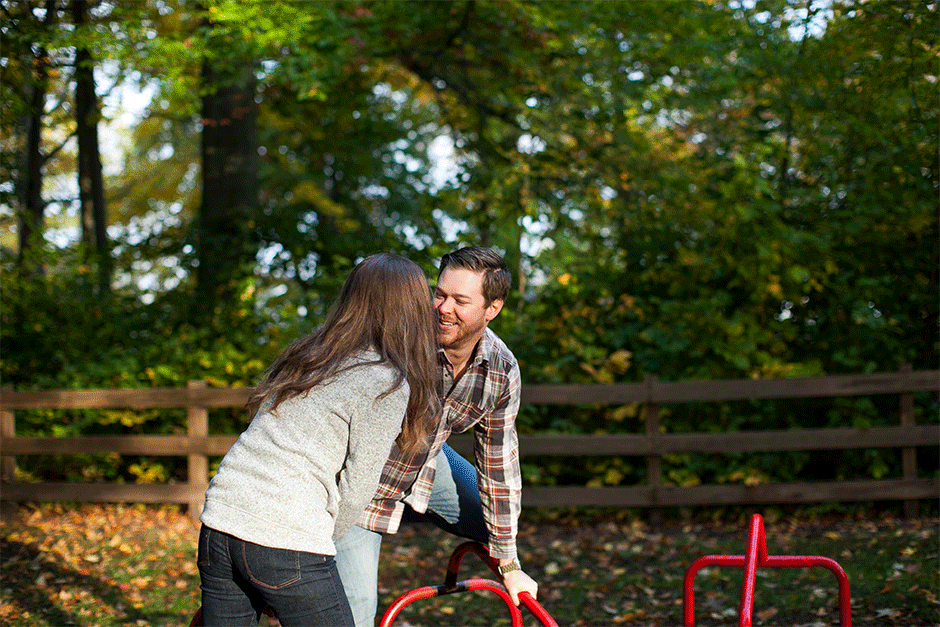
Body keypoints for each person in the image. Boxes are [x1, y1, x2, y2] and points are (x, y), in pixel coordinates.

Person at [195, 253, 441, 627]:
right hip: (285, 536)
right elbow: (358, 487)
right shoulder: (386, 381)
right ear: (412, 310)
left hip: (220, 522)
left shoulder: (309, 354)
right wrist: (323, 542)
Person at [335, 246, 539, 627]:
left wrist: (509, 562)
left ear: (492, 309)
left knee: (495, 527)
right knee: (356, 612)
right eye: (440, 294)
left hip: (428, 463)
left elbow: (499, 466)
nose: (443, 307)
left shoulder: (500, 369)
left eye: (460, 300)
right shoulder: (400, 339)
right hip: (361, 489)